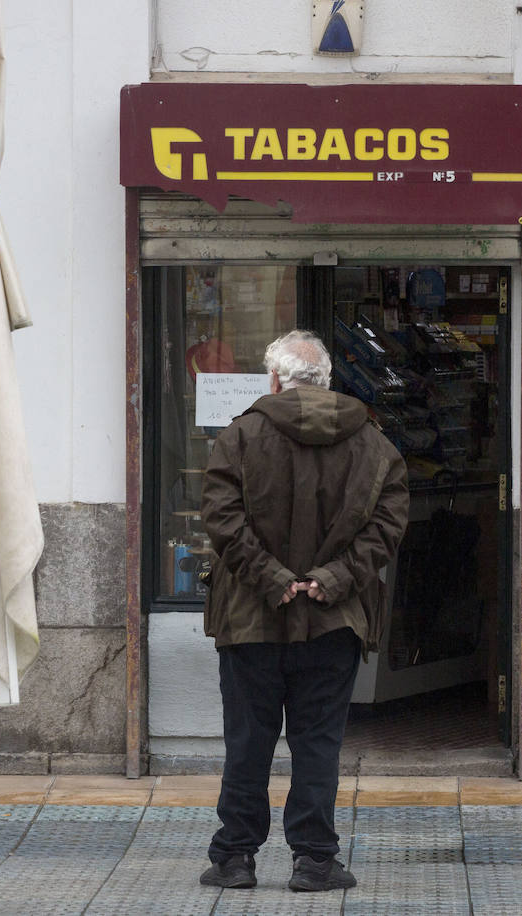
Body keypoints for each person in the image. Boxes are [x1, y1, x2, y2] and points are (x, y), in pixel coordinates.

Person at [197, 329, 409, 893]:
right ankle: (315, 862)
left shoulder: (239, 437)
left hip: (251, 620)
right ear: (326, 383)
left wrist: (275, 581)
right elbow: (387, 526)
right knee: (318, 744)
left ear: (274, 380)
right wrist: (329, 580)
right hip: (333, 620)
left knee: (248, 742)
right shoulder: (374, 444)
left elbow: (222, 521)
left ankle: (235, 858)